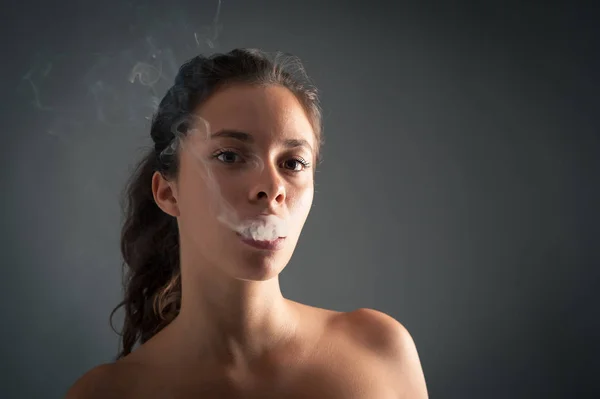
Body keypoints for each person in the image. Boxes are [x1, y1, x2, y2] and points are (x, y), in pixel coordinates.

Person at [66, 48, 428, 398]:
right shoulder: (108, 393)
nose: (272, 188)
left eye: (293, 163)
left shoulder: (379, 349)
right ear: (168, 193)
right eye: (229, 156)